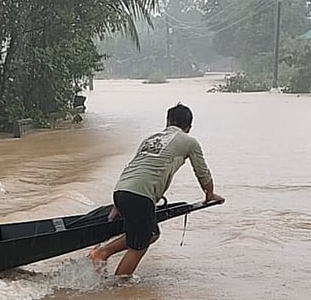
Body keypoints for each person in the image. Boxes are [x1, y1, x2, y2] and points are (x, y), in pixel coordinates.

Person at [88, 103, 223, 277]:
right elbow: (202, 172)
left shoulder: (151, 139)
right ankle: (115, 281)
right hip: (140, 195)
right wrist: (210, 194)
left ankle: (103, 256)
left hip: (122, 190)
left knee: (150, 233)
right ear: (189, 127)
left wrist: (117, 203)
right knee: (141, 243)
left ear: (168, 122)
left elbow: (134, 166)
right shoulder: (189, 141)